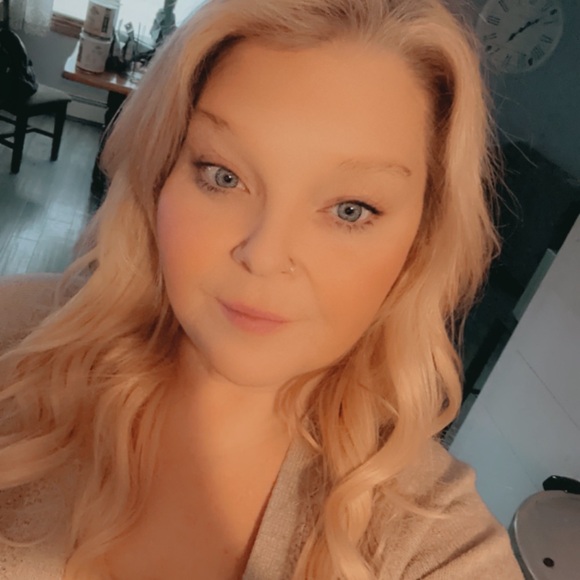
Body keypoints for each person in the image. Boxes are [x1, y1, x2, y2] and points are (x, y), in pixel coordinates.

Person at [0, 0, 525, 578]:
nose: (264, 256)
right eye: (223, 175)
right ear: (161, 173)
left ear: (420, 243)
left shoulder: (434, 541)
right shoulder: (15, 338)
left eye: (350, 209)